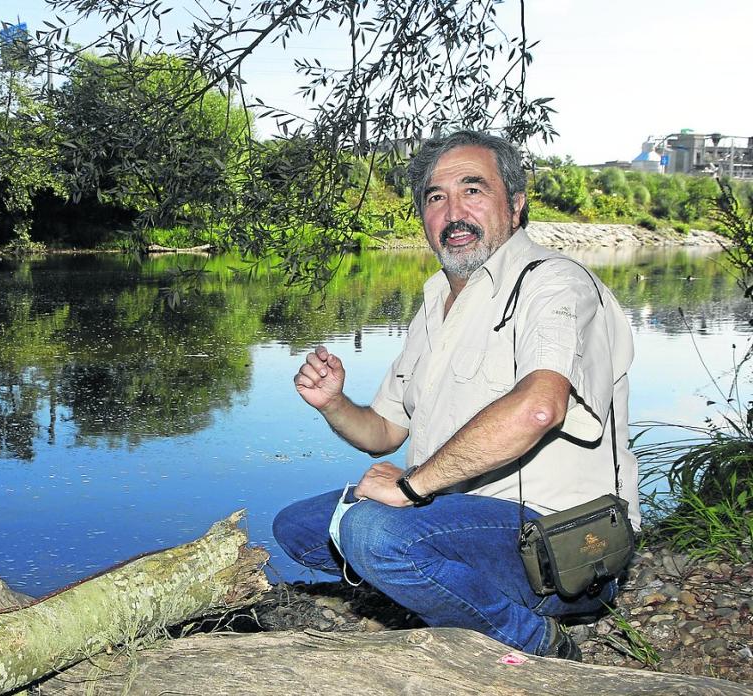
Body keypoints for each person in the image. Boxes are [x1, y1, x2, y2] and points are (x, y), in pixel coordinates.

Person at [272, 130, 638, 660]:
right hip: (458, 518)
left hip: (562, 541)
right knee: (297, 527)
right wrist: (334, 402)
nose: (453, 212)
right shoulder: (437, 301)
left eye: (473, 190)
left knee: (370, 533)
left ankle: (535, 640)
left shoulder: (555, 284)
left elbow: (540, 407)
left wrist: (412, 488)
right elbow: (384, 432)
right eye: (435, 197)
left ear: (515, 205)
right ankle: (442, 585)